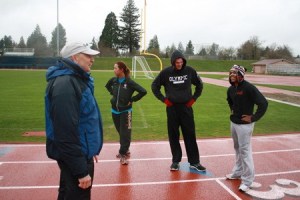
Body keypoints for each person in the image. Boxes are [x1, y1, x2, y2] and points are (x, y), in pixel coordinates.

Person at [45, 42, 103, 200]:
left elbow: (84, 120)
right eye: (88, 55)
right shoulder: (66, 84)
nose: (92, 60)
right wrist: (80, 170)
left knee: (67, 193)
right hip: (75, 156)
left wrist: (90, 147)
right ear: (74, 57)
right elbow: (65, 131)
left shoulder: (75, 80)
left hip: (80, 152)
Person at [151, 50, 206, 172]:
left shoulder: (190, 71)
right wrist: (164, 100)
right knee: (173, 135)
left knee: (190, 134)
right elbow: (154, 86)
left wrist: (193, 99)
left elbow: (200, 85)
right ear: (173, 62)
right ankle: (175, 161)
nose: (179, 64)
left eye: (181, 62)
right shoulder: (166, 73)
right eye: (177, 62)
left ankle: (194, 162)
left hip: (186, 107)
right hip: (172, 108)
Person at [226, 65, 268, 192]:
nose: (231, 76)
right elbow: (230, 101)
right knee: (237, 148)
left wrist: (253, 117)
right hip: (234, 122)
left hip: (245, 126)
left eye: (234, 73)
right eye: (230, 73)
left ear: (240, 75)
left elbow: (263, 103)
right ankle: (238, 172)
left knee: (245, 151)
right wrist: (233, 110)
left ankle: (248, 180)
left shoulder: (249, 88)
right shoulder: (230, 89)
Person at [105, 61, 147, 165]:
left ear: (121, 69)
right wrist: (113, 94)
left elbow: (143, 91)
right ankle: (126, 148)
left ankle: (122, 154)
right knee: (120, 131)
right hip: (114, 111)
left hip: (126, 111)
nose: (114, 70)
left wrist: (132, 99)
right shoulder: (114, 80)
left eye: (115, 68)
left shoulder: (129, 82)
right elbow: (107, 86)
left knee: (125, 133)